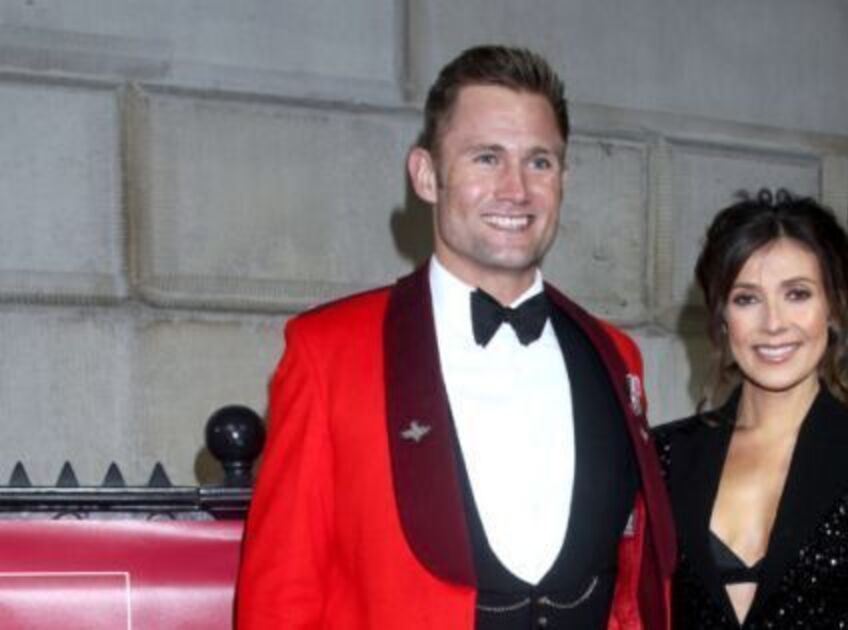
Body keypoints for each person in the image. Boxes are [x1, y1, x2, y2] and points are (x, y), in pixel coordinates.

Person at [236, 45, 674, 629]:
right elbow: (278, 600)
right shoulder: (328, 353)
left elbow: (632, 589)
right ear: (426, 175)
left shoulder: (616, 356)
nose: (516, 189)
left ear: (563, 179)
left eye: (539, 162)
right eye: (486, 158)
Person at [654, 191, 848, 628]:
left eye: (797, 294)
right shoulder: (664, 455)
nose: (773, 324)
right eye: (746, 299)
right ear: (722, 317)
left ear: (833, 306)